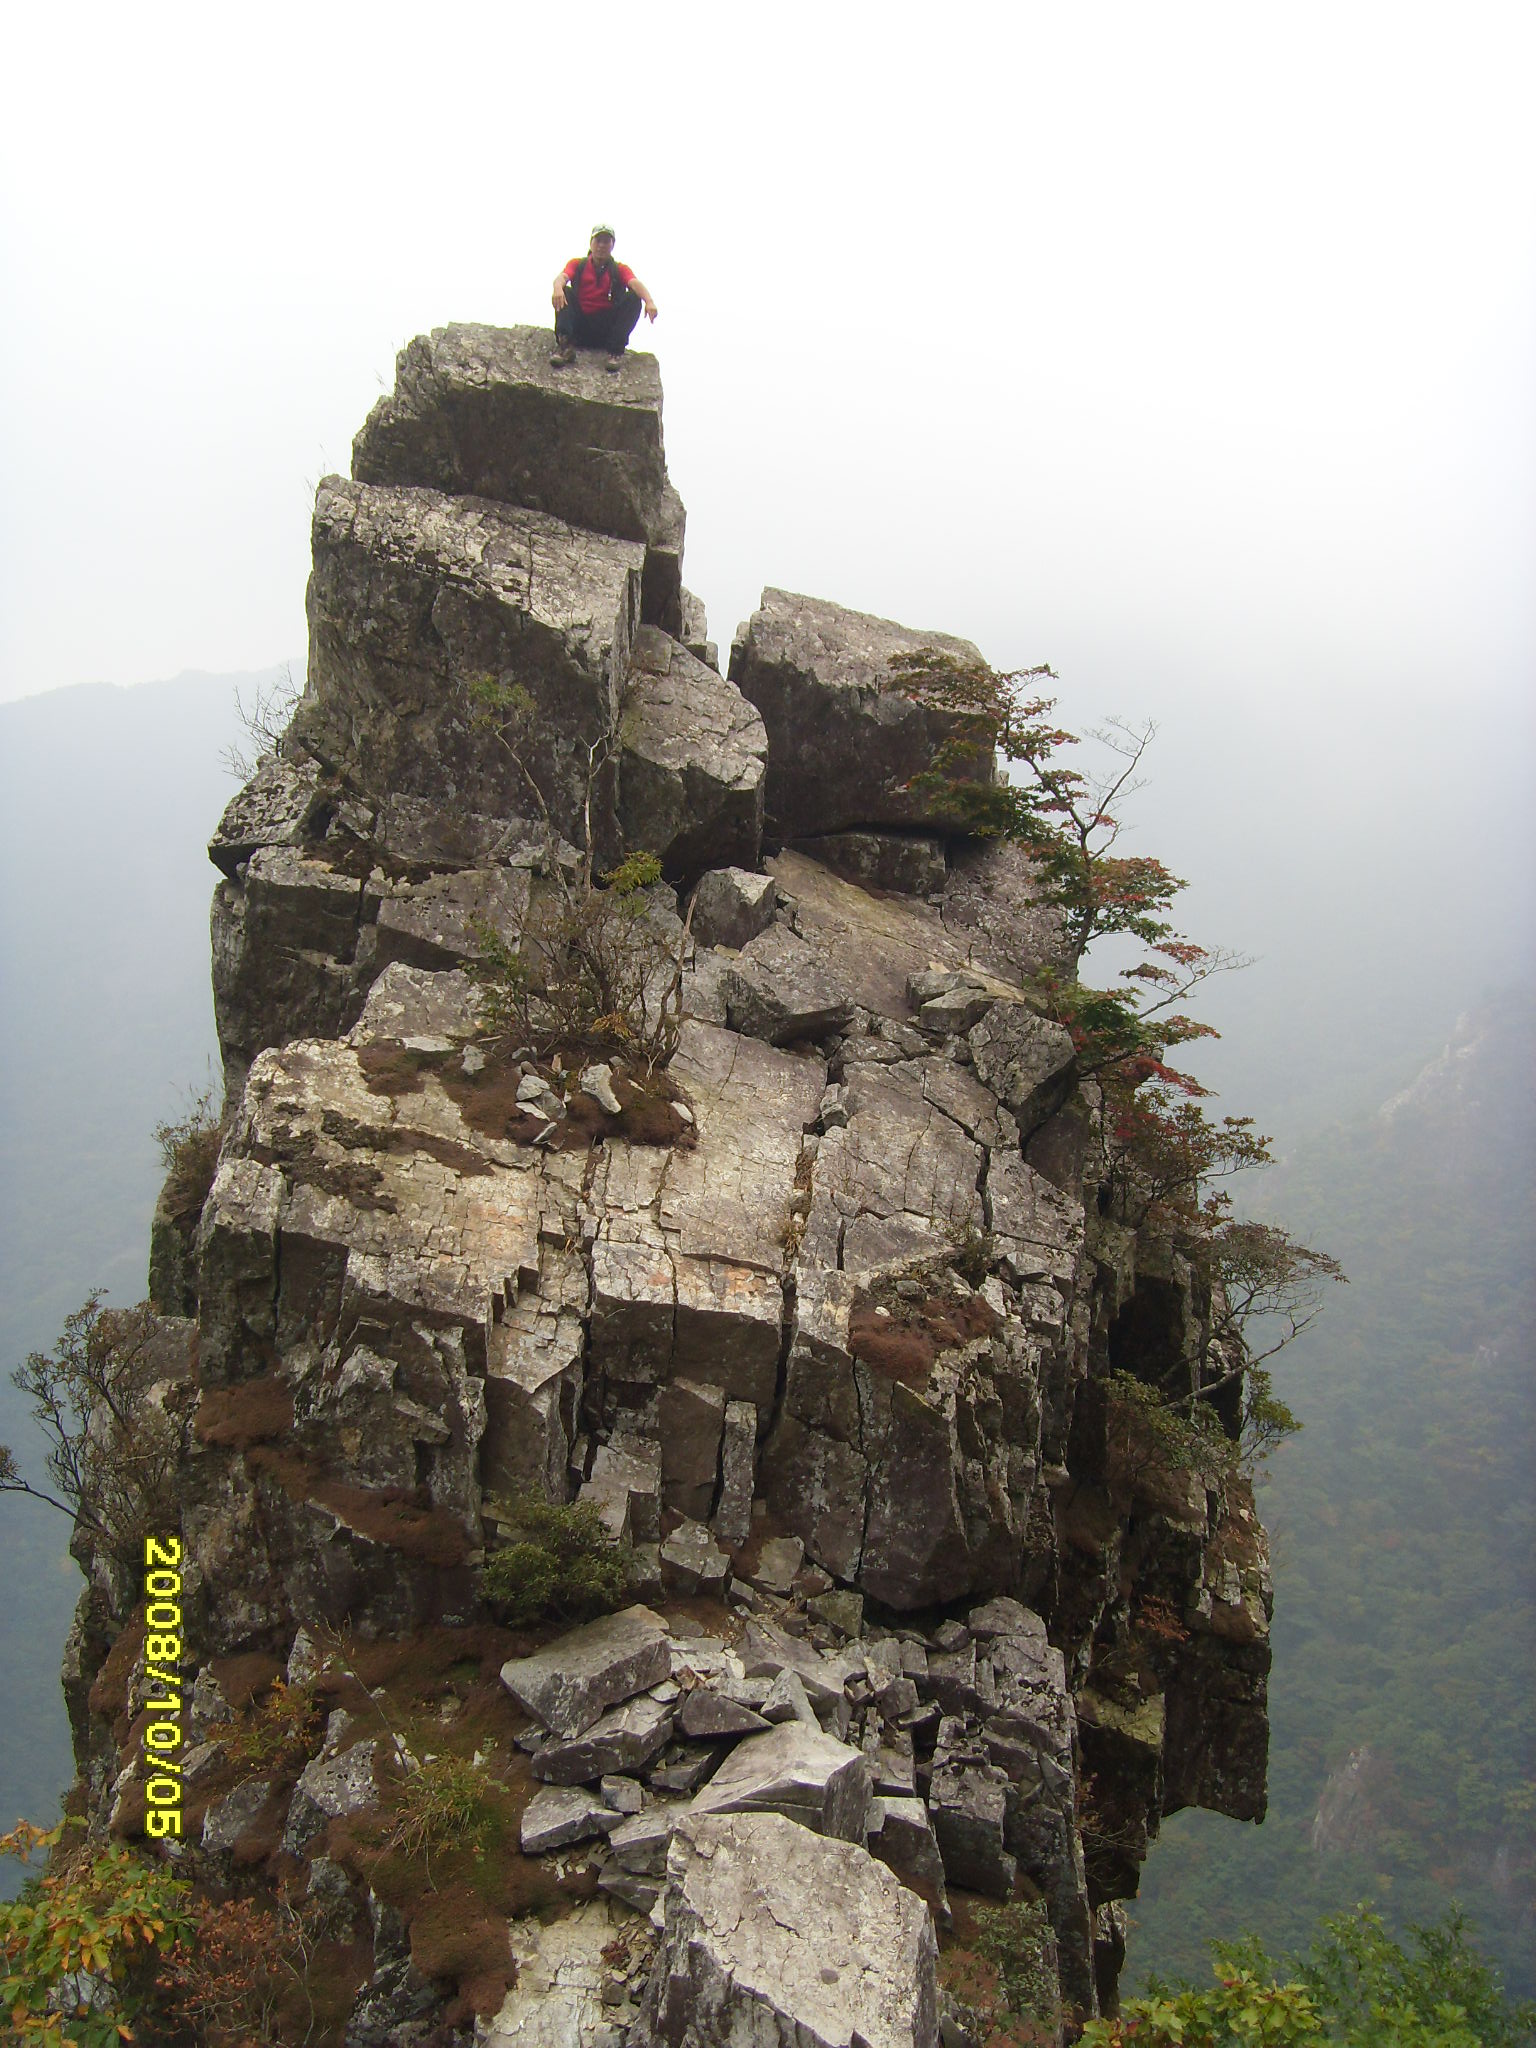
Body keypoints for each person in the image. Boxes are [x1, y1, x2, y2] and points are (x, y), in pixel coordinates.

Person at [550, 225, 658, 371]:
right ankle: (565, 346)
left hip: (605, 330)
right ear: (591, 243)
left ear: (612, 245)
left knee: (633, 298)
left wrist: (649, 301)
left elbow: (634, 283)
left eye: (606, 242)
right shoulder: (578, 264)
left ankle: (614, 352)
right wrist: (557, 288)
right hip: (580, 327)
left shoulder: (619, 269)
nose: (601, 246)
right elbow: (562, 277)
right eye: (598, 241)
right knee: (565, 291)